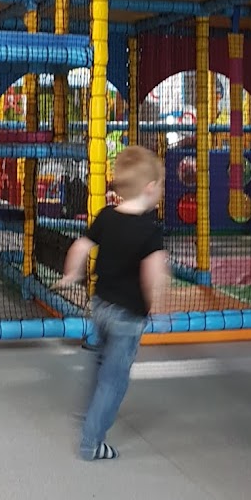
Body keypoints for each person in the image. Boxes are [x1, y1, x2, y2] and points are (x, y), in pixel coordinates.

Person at [59, 146, 168, 461]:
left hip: (101, 306)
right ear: (150, 188)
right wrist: (157, 305)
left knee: (98, 363)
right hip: (128, 317)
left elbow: (80, 247)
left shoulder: (107, 216)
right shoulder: (150, 230)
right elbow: (152, 274)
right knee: (114, 380)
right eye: (161, 186)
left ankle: (89, 411)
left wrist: (71, 274)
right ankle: (91, 442)